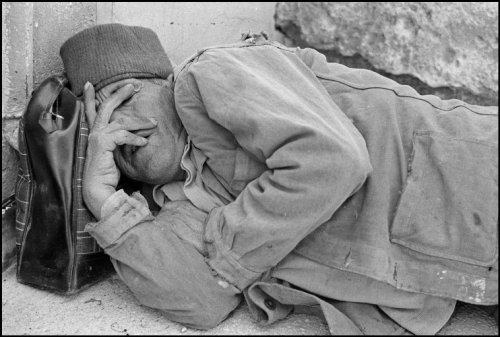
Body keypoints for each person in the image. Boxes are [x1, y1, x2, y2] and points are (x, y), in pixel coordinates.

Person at [59, 23, 498, 334]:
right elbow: (202, 301)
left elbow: (332, 161)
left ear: (164, 82)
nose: (120, 130)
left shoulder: (209, 75)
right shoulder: (182, 202)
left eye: (124, 96)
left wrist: (226, 262)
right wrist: (104, 200)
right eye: (99, 128)